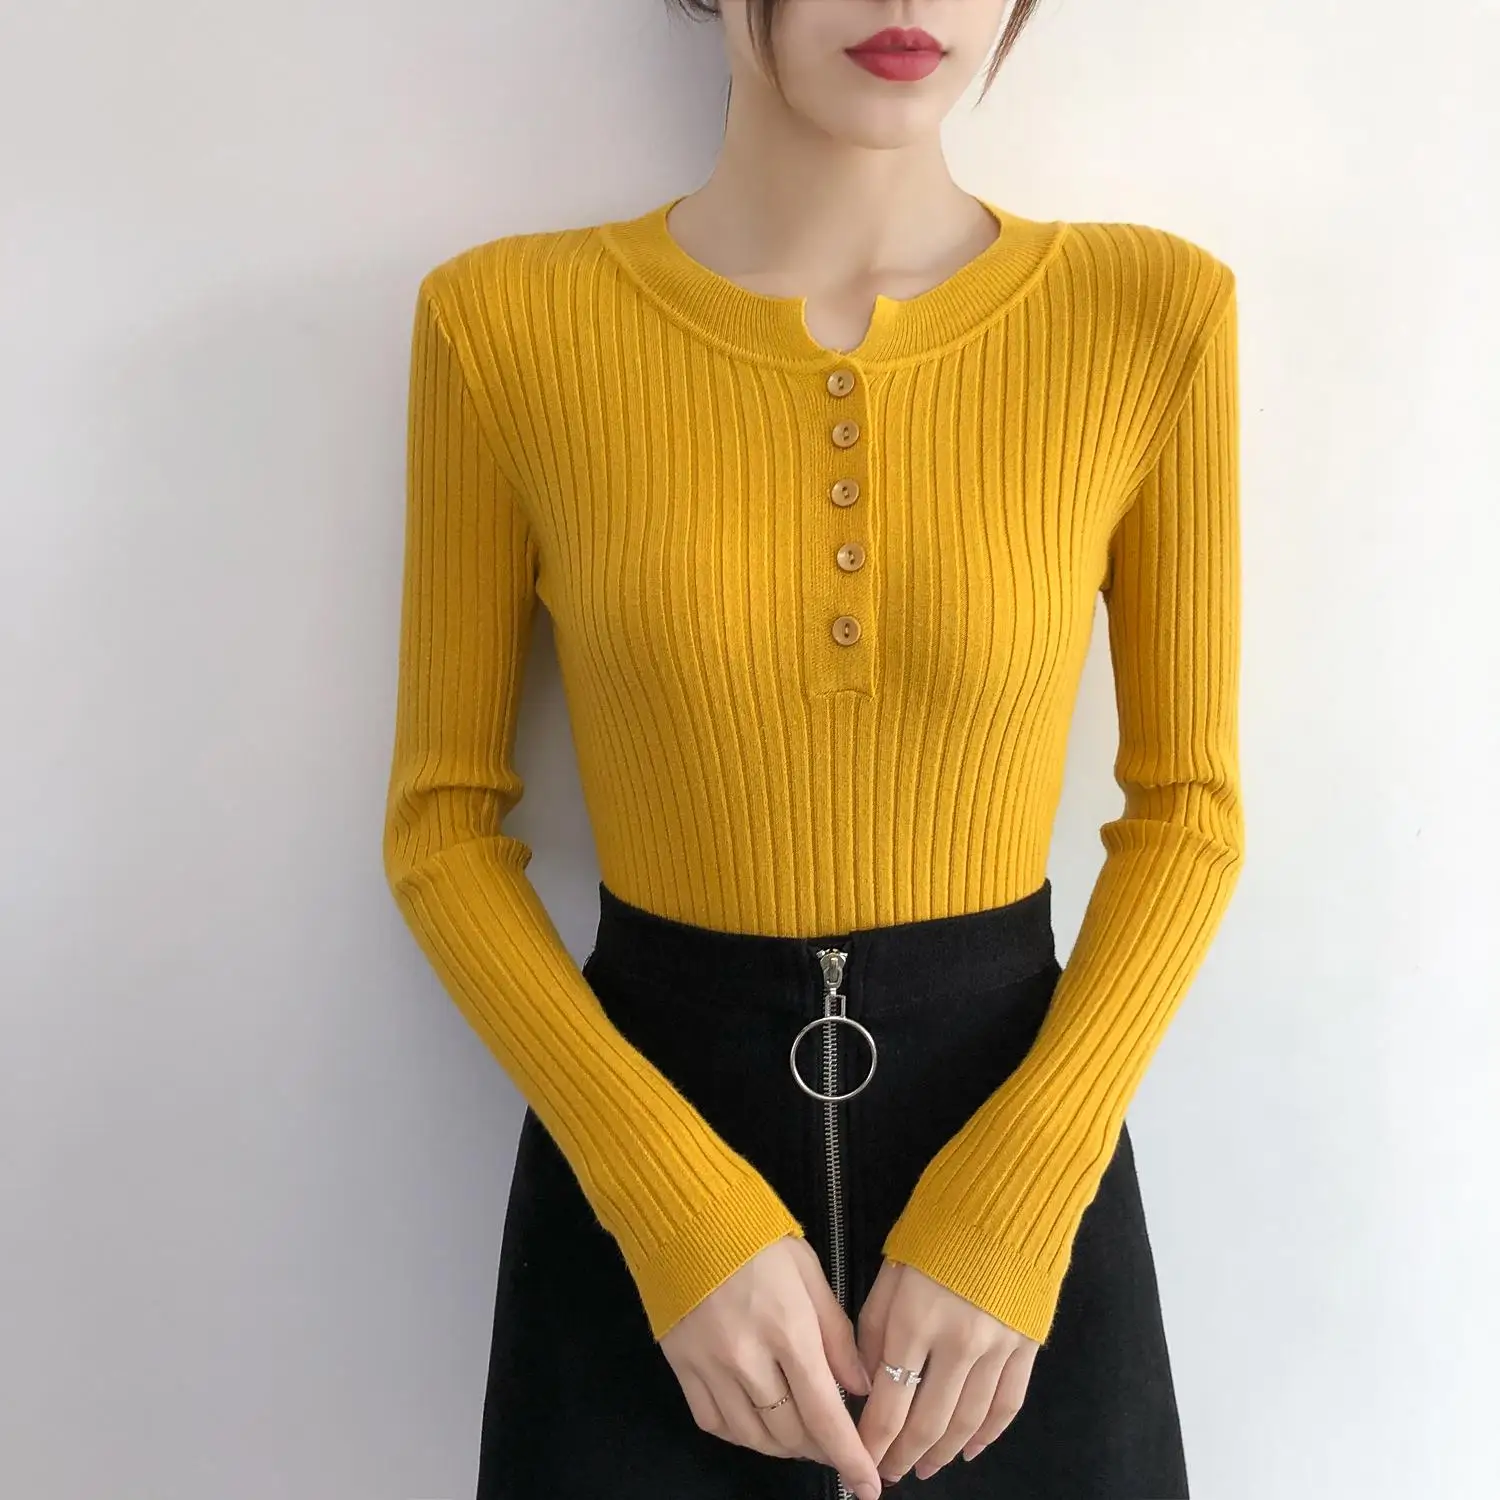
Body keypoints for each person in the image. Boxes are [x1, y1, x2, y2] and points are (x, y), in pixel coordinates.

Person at [381, 2, 1243, 1496]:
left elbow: (1189, 811)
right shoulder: (504, 322)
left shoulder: (1150, 313)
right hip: (651, 1224)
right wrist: (674, 1212)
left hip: (1017, 1228)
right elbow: (441, 829)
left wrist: (1017, 1202)